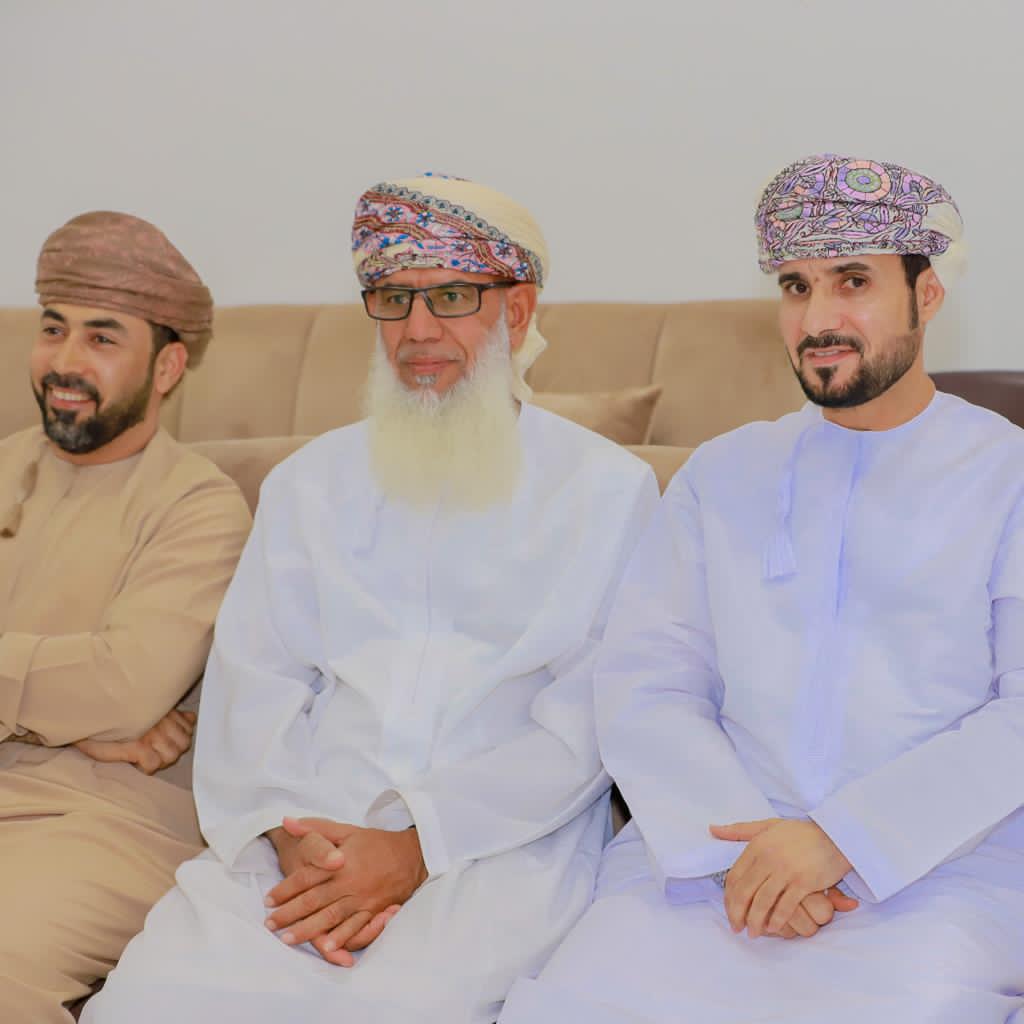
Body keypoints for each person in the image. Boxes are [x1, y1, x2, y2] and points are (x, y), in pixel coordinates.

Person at [84, 175, 660, 1024]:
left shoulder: (607, 490)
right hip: (297, 847)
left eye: (451, 297)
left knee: (399, 1006)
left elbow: (585, 725)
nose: (417, 330)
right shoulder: (308, 485)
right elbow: (254, 685)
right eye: (393, 299)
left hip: (494, 852)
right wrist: (291, 837)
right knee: (150, 999)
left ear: (517, 309)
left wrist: (419, 844)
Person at [498, 154, 1024, 1024]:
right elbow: (649, 681)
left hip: (938, 869)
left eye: (853, 282)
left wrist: (844, 839)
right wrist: (748, 852)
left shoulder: (1007, 474)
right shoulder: (724, 474)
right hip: (713, 861)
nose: (818, 320)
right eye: (795, 287)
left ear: (926, 295)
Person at [0, 211, 252, 1022]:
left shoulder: (199, 507)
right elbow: (110, 702)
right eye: (53, 329)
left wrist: (95, 719)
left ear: (168, 365)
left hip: (98, 820)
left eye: (102, 339)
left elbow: (123, 688)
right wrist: (75, 715)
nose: (65, 362)